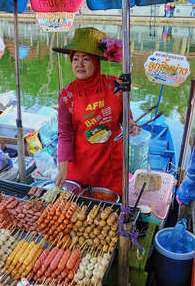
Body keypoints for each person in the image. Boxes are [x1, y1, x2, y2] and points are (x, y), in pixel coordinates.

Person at [53, 27, 140, 195]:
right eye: (75, 58)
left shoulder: (116, 85)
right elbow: (65, 134)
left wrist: (131, 125)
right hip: (81, 166)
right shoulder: (66, 95)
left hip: (111, 164)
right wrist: (62, 169)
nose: (79, 64)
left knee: (111, 213)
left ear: (96, 61)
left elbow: (125, 117)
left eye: (85, 59)